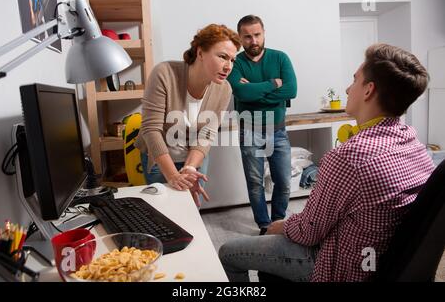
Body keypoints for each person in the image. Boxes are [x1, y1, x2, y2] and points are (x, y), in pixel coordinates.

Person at [219, 43, 435, 282]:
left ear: (368, 91)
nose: (347, 88)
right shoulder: (415, 142)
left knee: (228, 252)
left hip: (341, 266)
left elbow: (309, 232)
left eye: (354, 80)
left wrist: (281, 226)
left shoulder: (349, 157)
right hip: (384, 260)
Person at [134, 24, 241, 207]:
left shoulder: (224, 89)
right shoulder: (164, 73)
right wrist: (173, 176)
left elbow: (207, 133)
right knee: (162, 211)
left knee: (190, 210)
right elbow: (151, 129)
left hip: (194, 156)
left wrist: (190, 168)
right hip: (159, 156)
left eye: (232, 60)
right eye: (223, 57)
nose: (228, 66)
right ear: (200, 53)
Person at [227, 15, 297, 234]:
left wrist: (254, 93)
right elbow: (239, 91)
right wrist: (272, 85)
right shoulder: (235, 62)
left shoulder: (280, 58)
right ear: (240, 38)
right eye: (247, 37)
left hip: (277, 131)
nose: (253, 41)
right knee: (255, 183)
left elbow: (291, 91)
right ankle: (264, 225)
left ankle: (278, 221)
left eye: (257, 35)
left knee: (284, 182)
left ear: (264, 33)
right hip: (249, 130)